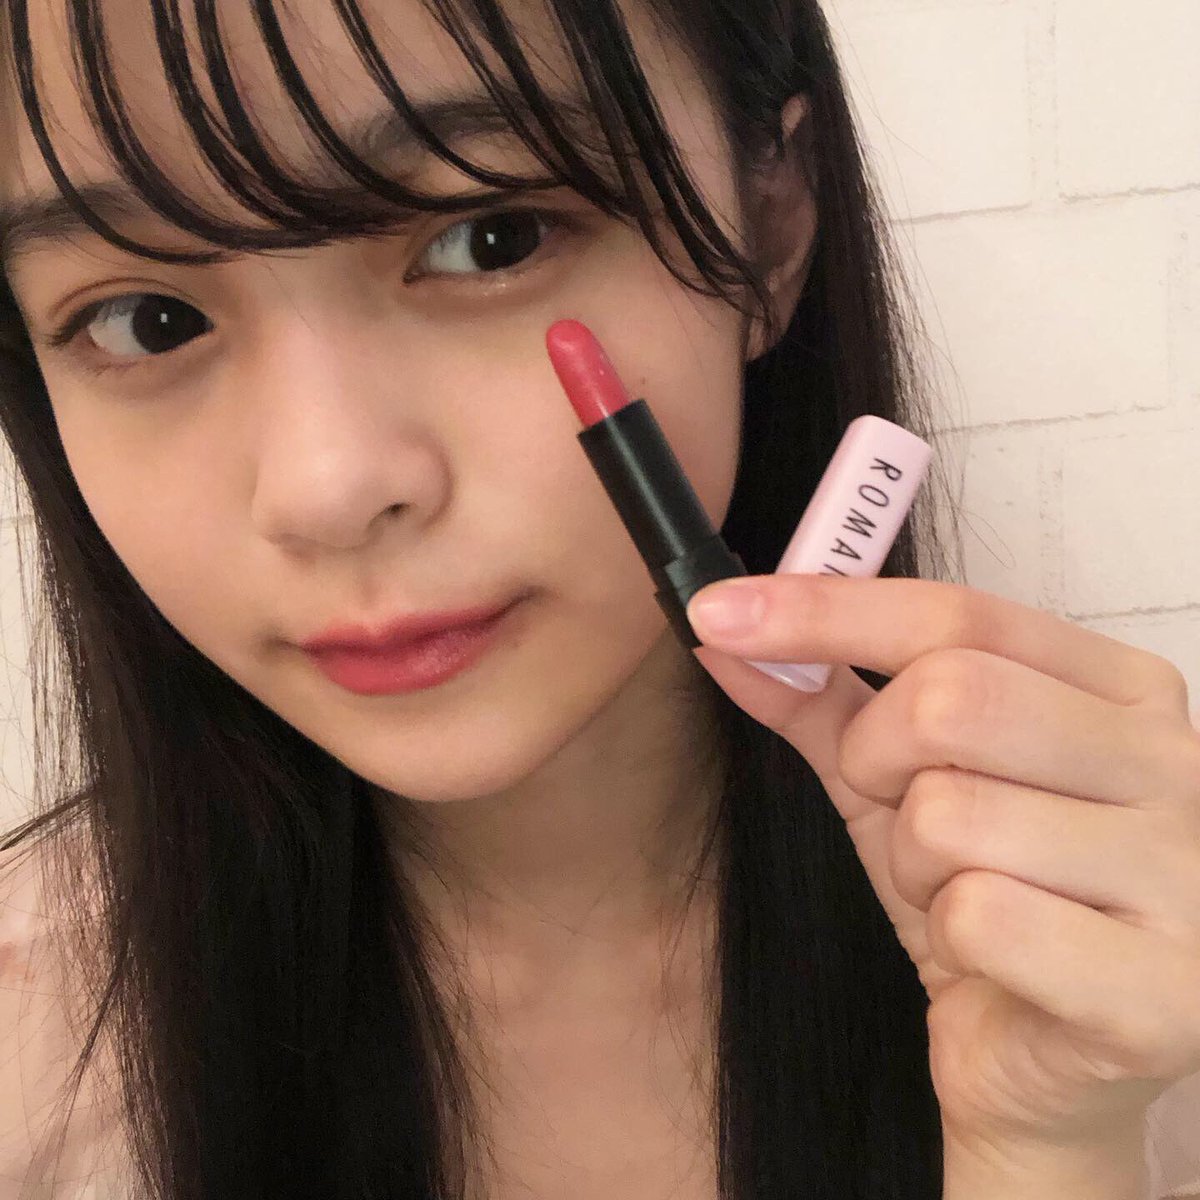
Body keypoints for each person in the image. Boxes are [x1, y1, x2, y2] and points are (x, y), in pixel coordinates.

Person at [0, 1, 1197, 1197]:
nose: (330, 488)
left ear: (772, 221)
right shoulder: (31, 1062)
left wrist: (1051, 1150)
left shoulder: (1130, 1005)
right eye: (145, 321)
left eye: (493, 238)